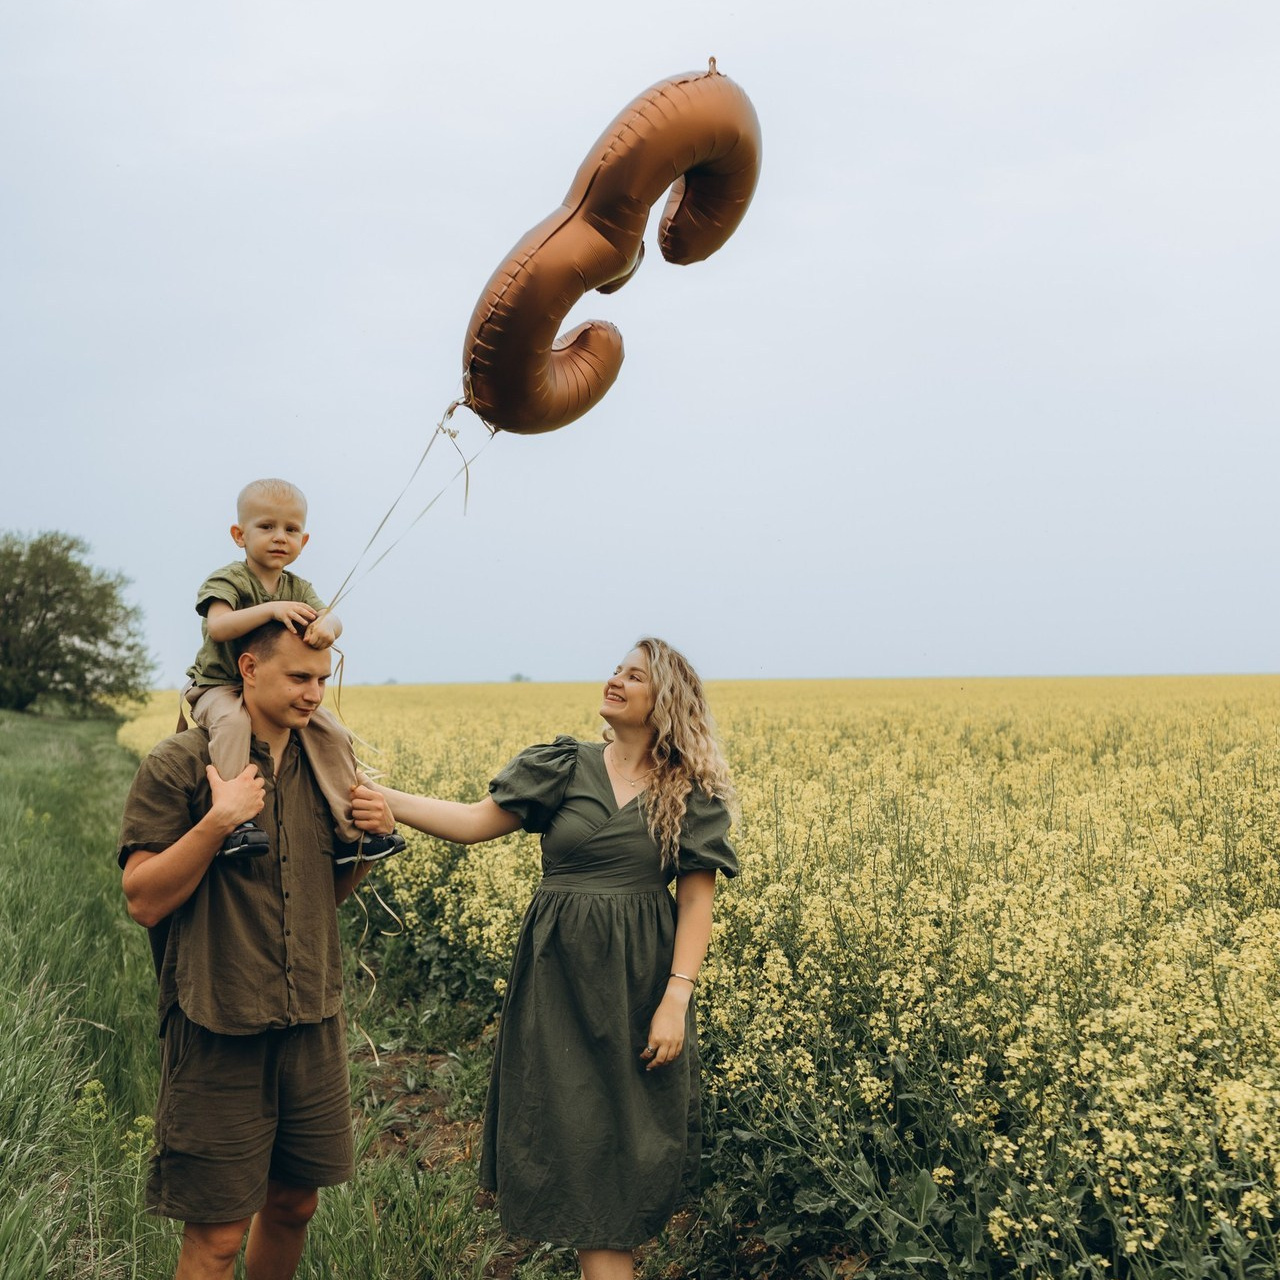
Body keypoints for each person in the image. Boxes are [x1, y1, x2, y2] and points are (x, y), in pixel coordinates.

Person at [362, 637, 738, 1280]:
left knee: (623, 1143)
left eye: (635, 676)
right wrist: (385, 801)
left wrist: (676, 999)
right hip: (557, 978)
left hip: (637, 986)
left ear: (665, 702)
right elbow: (474, 822)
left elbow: (696, 903)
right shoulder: (563, 766)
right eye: (616, 669)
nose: (615, 680)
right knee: (572, 1130)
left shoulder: (688, 791)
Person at [119, 621, 400, 1280]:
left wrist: (367, 844)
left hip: (311, 1019)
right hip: (219, 1021)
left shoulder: (327, 767)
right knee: (216, 1237)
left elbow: (312, 899)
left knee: (295, 1204)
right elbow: (143, 900)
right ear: (247, 667)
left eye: (323, 679)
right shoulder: (181, 764)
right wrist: (220, 821)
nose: (314, 694)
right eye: (299, 678)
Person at [184, 476, 401, 863]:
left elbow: (333, 619)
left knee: (330, 731)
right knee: (233, 725)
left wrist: (325, 629)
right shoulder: (229, 580)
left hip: (272, 693)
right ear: (239, 535)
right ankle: (236, 825)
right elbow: (218, 627)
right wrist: (271, 610)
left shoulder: (298, 587)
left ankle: (352, 834)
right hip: (219, 687)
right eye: (266, 526)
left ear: (304, 541)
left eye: (291, 529)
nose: (280, 537)